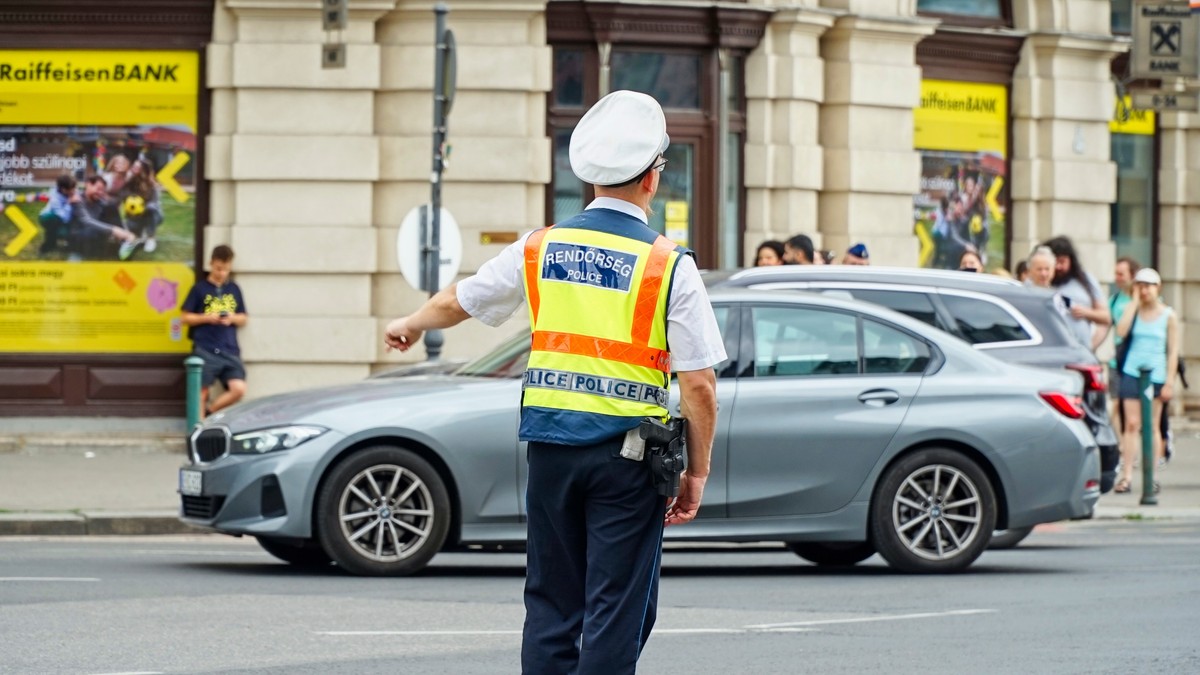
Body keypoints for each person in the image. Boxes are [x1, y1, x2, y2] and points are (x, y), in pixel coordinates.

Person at [382, 90, 724, 675]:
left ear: (590, 178)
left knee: (551, 606)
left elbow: (460, 299)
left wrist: (409, 324)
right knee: (617, 611)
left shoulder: (541, 246)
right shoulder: (669, 265)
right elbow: (699, 387)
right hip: (629, 461)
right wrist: (696, 472)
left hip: (550, 453)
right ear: (652, 179)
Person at [1113, 268, 1178, 494]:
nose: (1145, 290)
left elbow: (1172, 351)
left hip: (1156, 374)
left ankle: (1151, 476)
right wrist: (1133, 303)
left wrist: (1169, 382)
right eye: (1140, 285)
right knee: (1131, 424)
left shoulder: (1168, 315)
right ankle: (1127, 476)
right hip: (1132, 370)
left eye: (1149, 286)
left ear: (1157, 288)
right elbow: (1120, 331)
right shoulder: (1134, 311)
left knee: (1152, 425)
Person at [180, 245, 249, 420]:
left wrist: (231, 318)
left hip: (229, 348)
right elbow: (184, 317)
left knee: (238, 388)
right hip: (205, 347)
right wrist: (207, 317)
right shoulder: (199, 289)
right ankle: (197, 431)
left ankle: (210, 413)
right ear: (211, 264)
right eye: (218, 268)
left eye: (226, 269)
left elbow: (244, 318)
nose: (222, 273)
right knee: (201, 392)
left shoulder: (234, 289)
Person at [1043, 235, 1110, 351]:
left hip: (1081, 351)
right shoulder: (1042, 282)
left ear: (1071, 261)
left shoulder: (1085, 280)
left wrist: (1086, 313)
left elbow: (1105, 318)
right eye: (1055, 262)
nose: (1058, 267)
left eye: (1062, 262)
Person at [69, 176, 135, 260]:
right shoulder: (77, 199)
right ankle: (77, 254)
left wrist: (125, 232)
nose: (100, 193)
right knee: (88, 231)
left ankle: (126, 243)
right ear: (88, 185)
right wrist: (113, 230)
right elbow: (87, 221)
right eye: (98, 189)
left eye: (103, 190)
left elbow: (114, 216)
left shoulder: (100, 201)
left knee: (112, 207)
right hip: (79, 234)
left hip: (96, 234)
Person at [119, 158, 165, 255]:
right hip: (133, 217)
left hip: (151, 215)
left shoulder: (151, 185)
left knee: (151, 210)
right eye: (134, 166)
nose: (134, 169)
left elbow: (154, 203)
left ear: (143, 170)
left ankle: (151, 238)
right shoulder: (128, 181)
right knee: (132, 237)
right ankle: (140, 232)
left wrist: (142, 207)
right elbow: (123, 197)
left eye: (137, 167)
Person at [38, 174, 77, 255]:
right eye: (71, 189)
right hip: (48, 217)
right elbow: (63, 218)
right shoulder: (55, 198)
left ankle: (57, 242)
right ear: (63, 189)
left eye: (74, 188)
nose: (74, 191)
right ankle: (48, 245)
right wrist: (69, 203)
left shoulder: (73, 192)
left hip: (63, 218)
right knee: (55, 224)